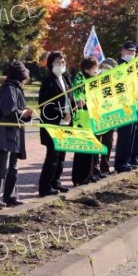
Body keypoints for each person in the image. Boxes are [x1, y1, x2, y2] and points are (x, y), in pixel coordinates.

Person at [0, 61, 32, 209]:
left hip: (13, 134)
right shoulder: (8, 89)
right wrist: (23, 113)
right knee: (1, 167)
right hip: (4, 134)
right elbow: (9, 111)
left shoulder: (15, 88)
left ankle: (10, 196)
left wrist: (26, 115)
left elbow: (16, 111)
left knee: (13, 166)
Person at [38, 51, 74, 196]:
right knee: (52, 156)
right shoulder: (48, 81)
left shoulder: (66, 79)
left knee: (61, 156)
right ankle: (45, 186)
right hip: (53, 123)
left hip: (66, 123)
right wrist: (61, 113)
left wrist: (76, 104)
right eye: (58, 62)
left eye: (63, 62)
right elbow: (44, 104)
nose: (61, 65)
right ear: (51, 64)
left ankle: (56, 182)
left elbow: (69, 99)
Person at [71, 57, 101, 185]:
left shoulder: (94, 79)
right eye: (94, 68)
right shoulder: (79, 78)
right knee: (82, 149)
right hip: (82, 117)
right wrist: (82, 99)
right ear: (87, 69)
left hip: (92, 116)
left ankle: (89, 174)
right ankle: (79, 177)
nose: (96, 70)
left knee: (91, 148)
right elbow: (78, 95)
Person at [114, 41, 138, 173]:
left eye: (133, 52)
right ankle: (120, 163)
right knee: (124, 135)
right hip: (123, 104)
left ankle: (126, 160)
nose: (131, 54)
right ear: (122, 51)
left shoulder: (133, 66)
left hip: (133, 103)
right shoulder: (119, 66)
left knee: (131, 134)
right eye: (129, 51)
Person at [98, 58, 118, 174]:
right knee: (99, 141)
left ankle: (104, 168)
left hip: (110, 113)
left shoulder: (115, 80)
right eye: (105, 67)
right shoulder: (95, 79)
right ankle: (95, 169)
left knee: (108, 141)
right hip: (98, 114)